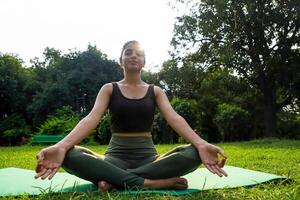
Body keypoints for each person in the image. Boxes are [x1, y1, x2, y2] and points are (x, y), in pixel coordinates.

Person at [34, 40, 227, 191]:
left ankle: (115, 180)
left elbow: (174, 118)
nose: (134, 56)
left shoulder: (156, 90)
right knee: (69, 155)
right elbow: (91, 118)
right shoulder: (109, 88)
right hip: (114, 159)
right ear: (121, 60)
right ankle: (149, 183)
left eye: (139, 54)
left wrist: (201, 144)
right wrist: (61, 146)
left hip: (149, 160)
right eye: (128, 52)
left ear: (144, 62)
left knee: (193, 153)